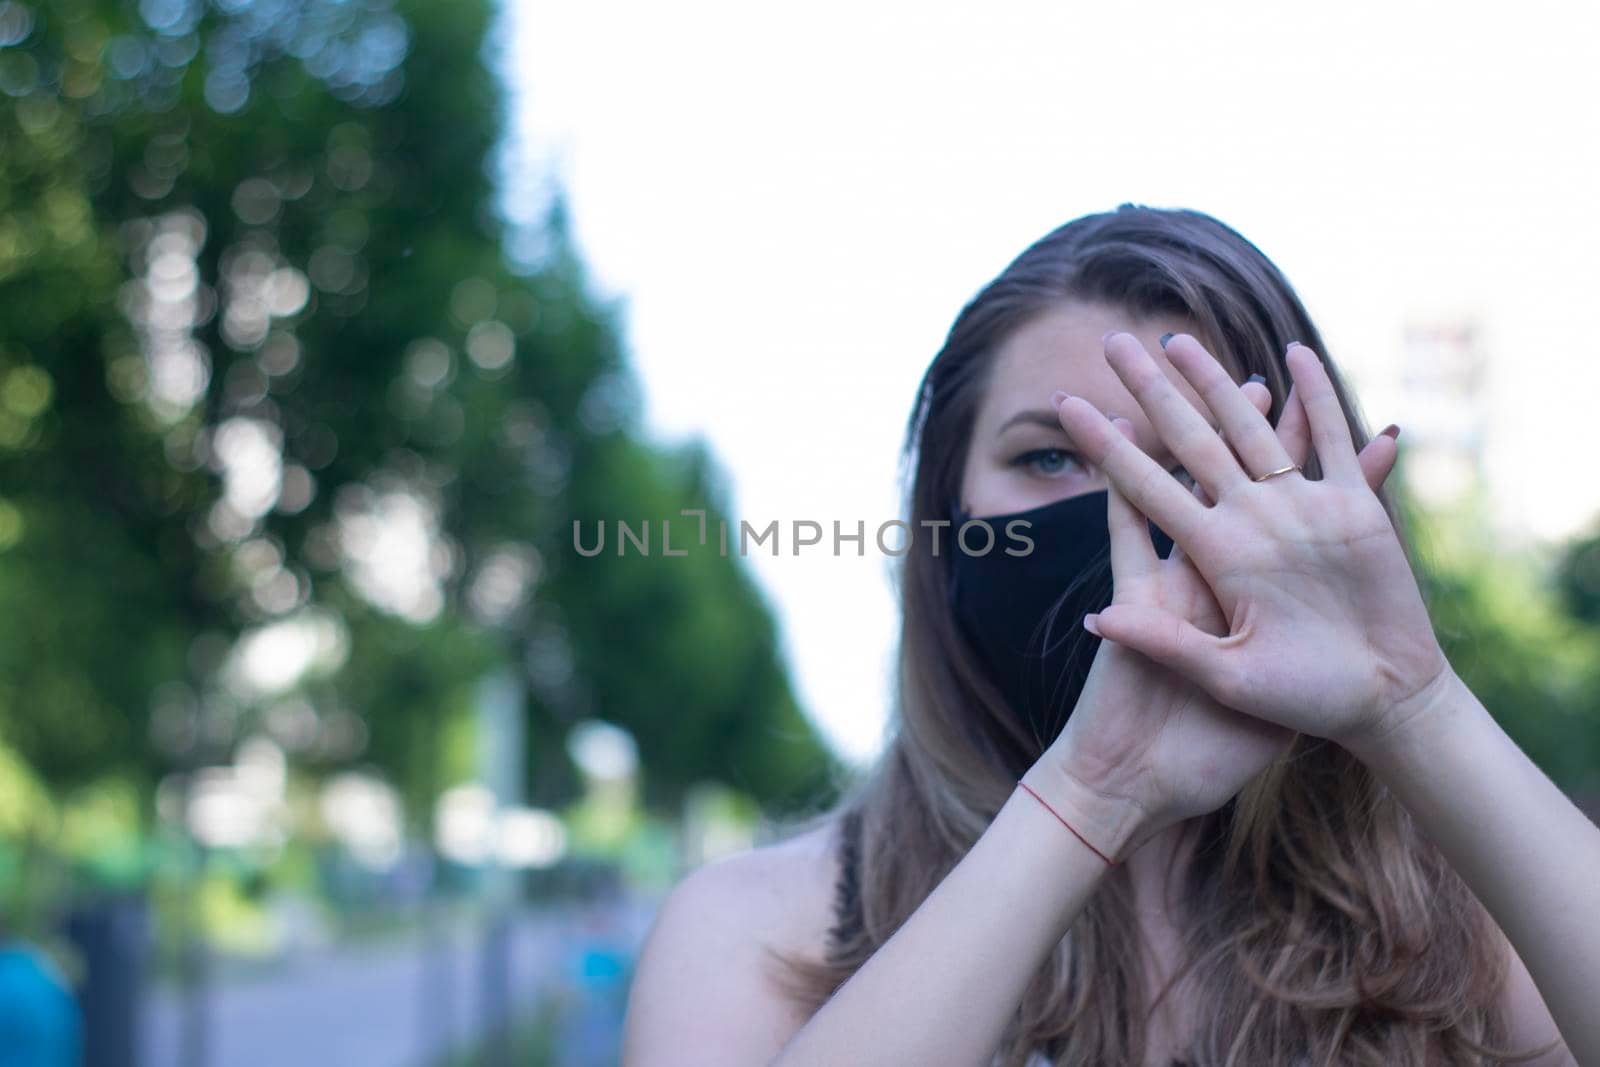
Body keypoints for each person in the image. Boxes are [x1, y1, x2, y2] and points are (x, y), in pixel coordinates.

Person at [620, 205, 1592, 1065]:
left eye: (1189, 458)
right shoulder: (759, 930)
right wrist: (1090, 794)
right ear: (945, 516)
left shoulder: (1467, 929)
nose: (1126, 508)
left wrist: (1410, 704)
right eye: (1047, 455)